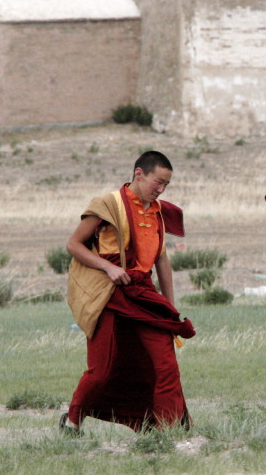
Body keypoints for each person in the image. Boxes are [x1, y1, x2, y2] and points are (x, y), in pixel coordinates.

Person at [61, 151, 195, 434]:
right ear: (139, 174)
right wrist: (108, 268)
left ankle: (166, 431)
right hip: (110, 294)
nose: (160, 190)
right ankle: (72, 421)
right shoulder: (108, 204)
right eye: (157, 182)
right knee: (101, 371)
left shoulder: (158, 212)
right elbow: (74, 245)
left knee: (166, 364)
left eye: (166, 185)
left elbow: (161, 260)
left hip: (143, 295)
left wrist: (170, 308)